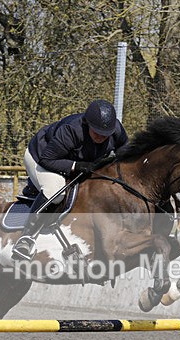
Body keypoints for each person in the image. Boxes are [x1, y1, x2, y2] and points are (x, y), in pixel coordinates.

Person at [12, 99, 128, 261]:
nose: (101, 137)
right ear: (87, 124)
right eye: (97, 132)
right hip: (40, 157)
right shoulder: (71, 130)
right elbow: (48, 160)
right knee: (56, 191)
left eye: (105, 134)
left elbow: (126, 157)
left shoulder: (116, 130)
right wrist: (76, 166)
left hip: (69, 159)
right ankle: (26, 238)